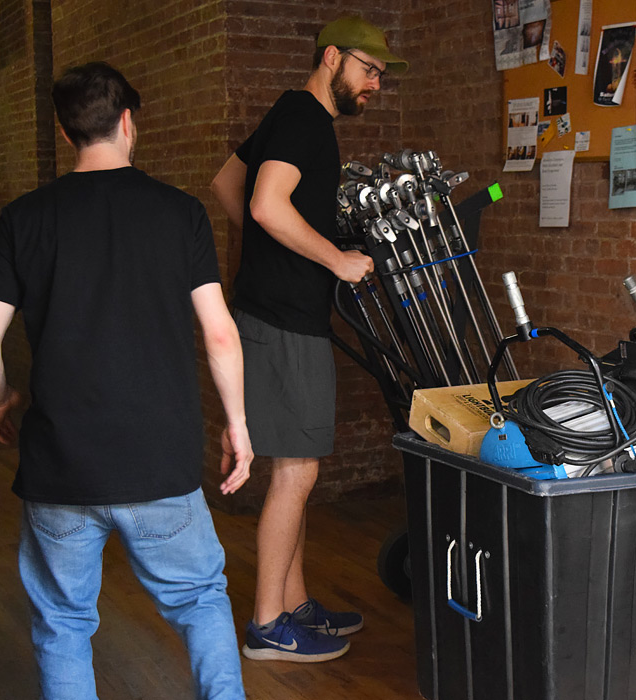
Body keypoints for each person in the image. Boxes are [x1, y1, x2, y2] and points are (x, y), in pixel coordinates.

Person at [0, 62, 253, 699]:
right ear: (129, 123)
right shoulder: (181, 214)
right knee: (201, 599)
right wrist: (237, 424)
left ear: (68, 137)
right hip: (161, 460)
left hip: (61, 464)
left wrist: (0, 399)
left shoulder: (22, 218)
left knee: (64, 620)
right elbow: (221, 334)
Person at [210, 16, 407, 663]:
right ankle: (269, 625)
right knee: (297, 471)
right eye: (369, 69)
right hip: (286, 321)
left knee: (295, 465)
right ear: (332, 58)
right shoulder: (305, 120)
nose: (375, 83)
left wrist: (278, 254)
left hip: (274, 313)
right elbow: (265, 203)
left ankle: (293, 606)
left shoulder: (292, 114)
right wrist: (332, 260)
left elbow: (226, 183)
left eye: (380, 74)